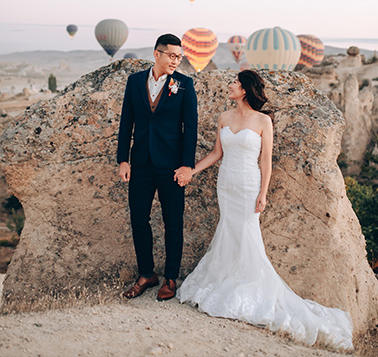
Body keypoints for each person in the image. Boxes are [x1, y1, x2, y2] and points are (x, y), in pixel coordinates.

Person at [174, 70, 353, 351]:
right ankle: (226, 279)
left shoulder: (263, 121)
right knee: (229, 231)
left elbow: (266, 160)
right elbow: (216, 154)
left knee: (247, 234)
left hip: (248, 185)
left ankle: (248, 286)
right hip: (226, 184)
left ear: (245, 89)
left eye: (234, 82)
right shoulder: (224, 117)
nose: (230, 85)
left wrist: (263, 193)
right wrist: (192, 171)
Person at [117, 33, 197, 301]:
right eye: (172, 55)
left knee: (173, 221)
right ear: (157, 54)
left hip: (172, 166)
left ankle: (170, 278)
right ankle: (146, 274)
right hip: (139, 163)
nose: (176, 60)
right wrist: (123, 159)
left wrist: (187, 166)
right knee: (139, 218)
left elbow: (191, 128)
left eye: (179, 56)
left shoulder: (185, 84)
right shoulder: (135, 81)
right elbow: (126, 120)